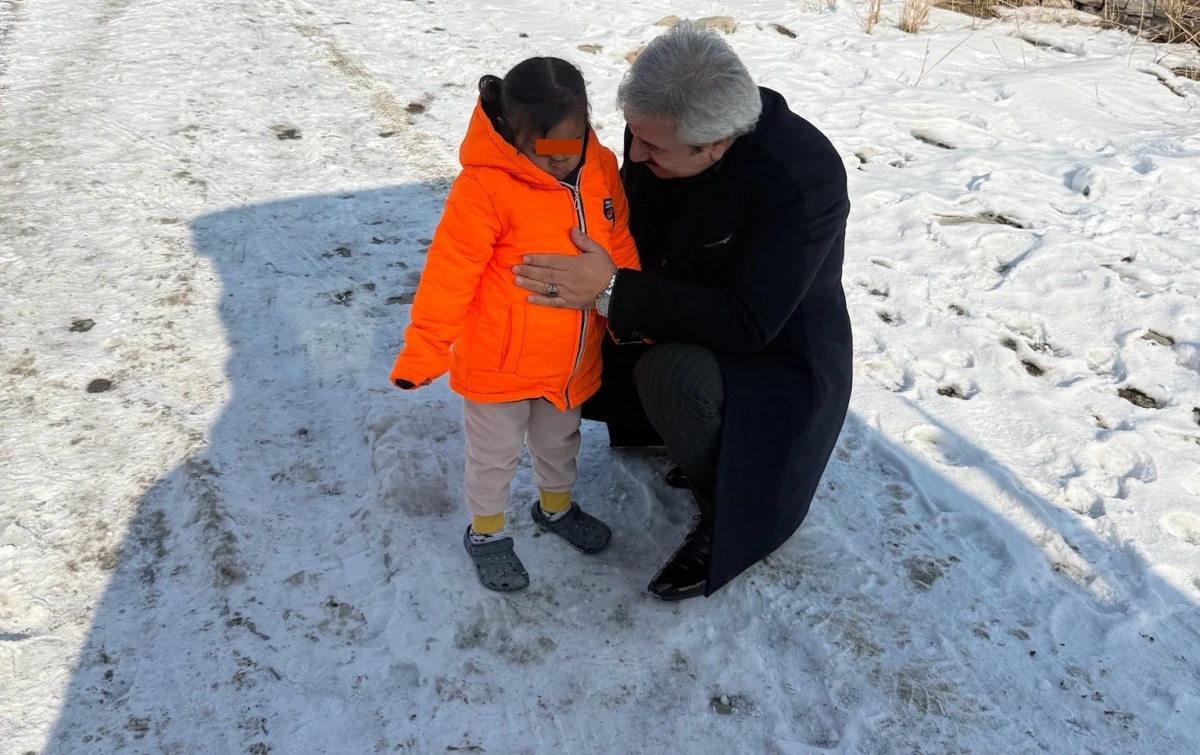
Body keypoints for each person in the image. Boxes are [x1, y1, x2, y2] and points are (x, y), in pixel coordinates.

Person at [511, 22, 852, 600]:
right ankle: (670, 430)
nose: (635, 154)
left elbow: (751, 321)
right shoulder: (660, 125)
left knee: (670, 378)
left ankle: (730, 508)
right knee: (549, 339)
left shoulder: (801, 175)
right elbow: (620, 205)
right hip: (672, 300)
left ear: (717, 144)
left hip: (774, 351)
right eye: (632, 136)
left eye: (652, 148)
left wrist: (611, 291)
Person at [390, 57, 641, 592]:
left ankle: (554, 509)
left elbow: (618, 243)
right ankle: (485, 533)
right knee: (494, 457)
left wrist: (628, 307)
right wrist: (426, 348)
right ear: (511, 133)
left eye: (568, 144)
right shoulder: (485, 188)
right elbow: (449, 273)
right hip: (498, 364)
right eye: (541, 149)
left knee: (560, 443)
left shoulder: (600, 170)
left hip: (570, 357)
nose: (558, 161)